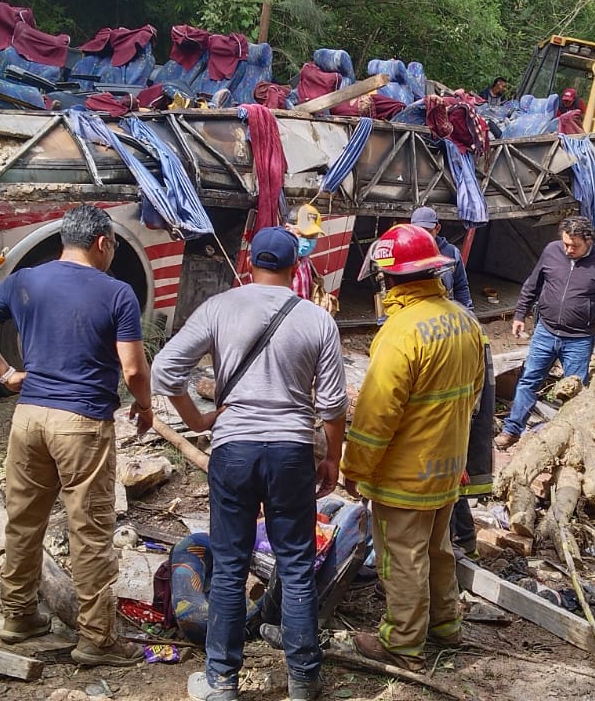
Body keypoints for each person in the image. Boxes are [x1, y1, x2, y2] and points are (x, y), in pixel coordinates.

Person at [151, 226, 349, 701]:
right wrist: (333, 459)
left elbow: (164, 370)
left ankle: (221, 683)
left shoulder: (220, 307)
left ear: (249, 265)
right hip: (291, 451)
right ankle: (303, 681)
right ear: (295, 268)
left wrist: (197, 418)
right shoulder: (316, 319)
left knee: (231, 563)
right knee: (297, 565)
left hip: (233, 450)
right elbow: (334, 406)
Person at [0, 204, 153, 667]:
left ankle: (18, 615)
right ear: (102, 243)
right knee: (90, 529)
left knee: (24, 520)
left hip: (29, 419)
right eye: (113, 247)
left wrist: (6, 375)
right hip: (81, 423)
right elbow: (132, 368)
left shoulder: (25, 280)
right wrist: (144, 406)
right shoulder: (118, 292)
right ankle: (97, 639)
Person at [342, 224, 485, 673]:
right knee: (439, 551)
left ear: (389, 278)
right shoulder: (465, 320)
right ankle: (446, 627)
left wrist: (354, 466)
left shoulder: (401, 332)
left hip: (405, 473)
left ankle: (403, 644)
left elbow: (375, 415)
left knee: (403, 558)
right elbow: (476, 395)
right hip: (447, 467)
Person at [496, 215, 595, 449]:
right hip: (545, 332)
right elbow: (532, 284)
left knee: (574, 392)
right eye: (566, 243)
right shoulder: (552, 251)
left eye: (574, 246)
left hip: (579, 339)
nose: (568, 249)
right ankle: (512, 430)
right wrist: (519, 315)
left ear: (589, 240)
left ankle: (571, 442)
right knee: (528, 382)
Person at [407, 207, 492, 557]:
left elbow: (463, 296)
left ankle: (459, 540)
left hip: (445, 405)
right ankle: (459, 539)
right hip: (447, 400)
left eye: (427, 230)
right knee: (448, 470)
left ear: (438, 228)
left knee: (448, 471)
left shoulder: (451, 256)